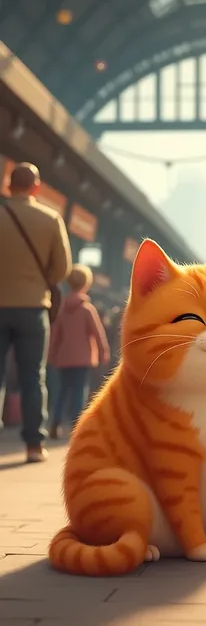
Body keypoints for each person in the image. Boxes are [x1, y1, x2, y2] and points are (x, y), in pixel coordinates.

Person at [0, 163, 71, 462]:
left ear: (8, 185)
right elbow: (62, 269)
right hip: (33, 308)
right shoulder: (50, 218)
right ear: (37, 187)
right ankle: (33, 445)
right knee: (33, 377)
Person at [48, 265, 110, 439]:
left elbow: (55, 335)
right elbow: (98, 333)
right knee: (78, 392)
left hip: (63, 358)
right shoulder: (87, 309)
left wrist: (51, 355)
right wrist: (103, 352)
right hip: (83, 359)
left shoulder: (61, 309)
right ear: (86, 284)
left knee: (62, 391)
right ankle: (75, 427)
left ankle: (55, 423)